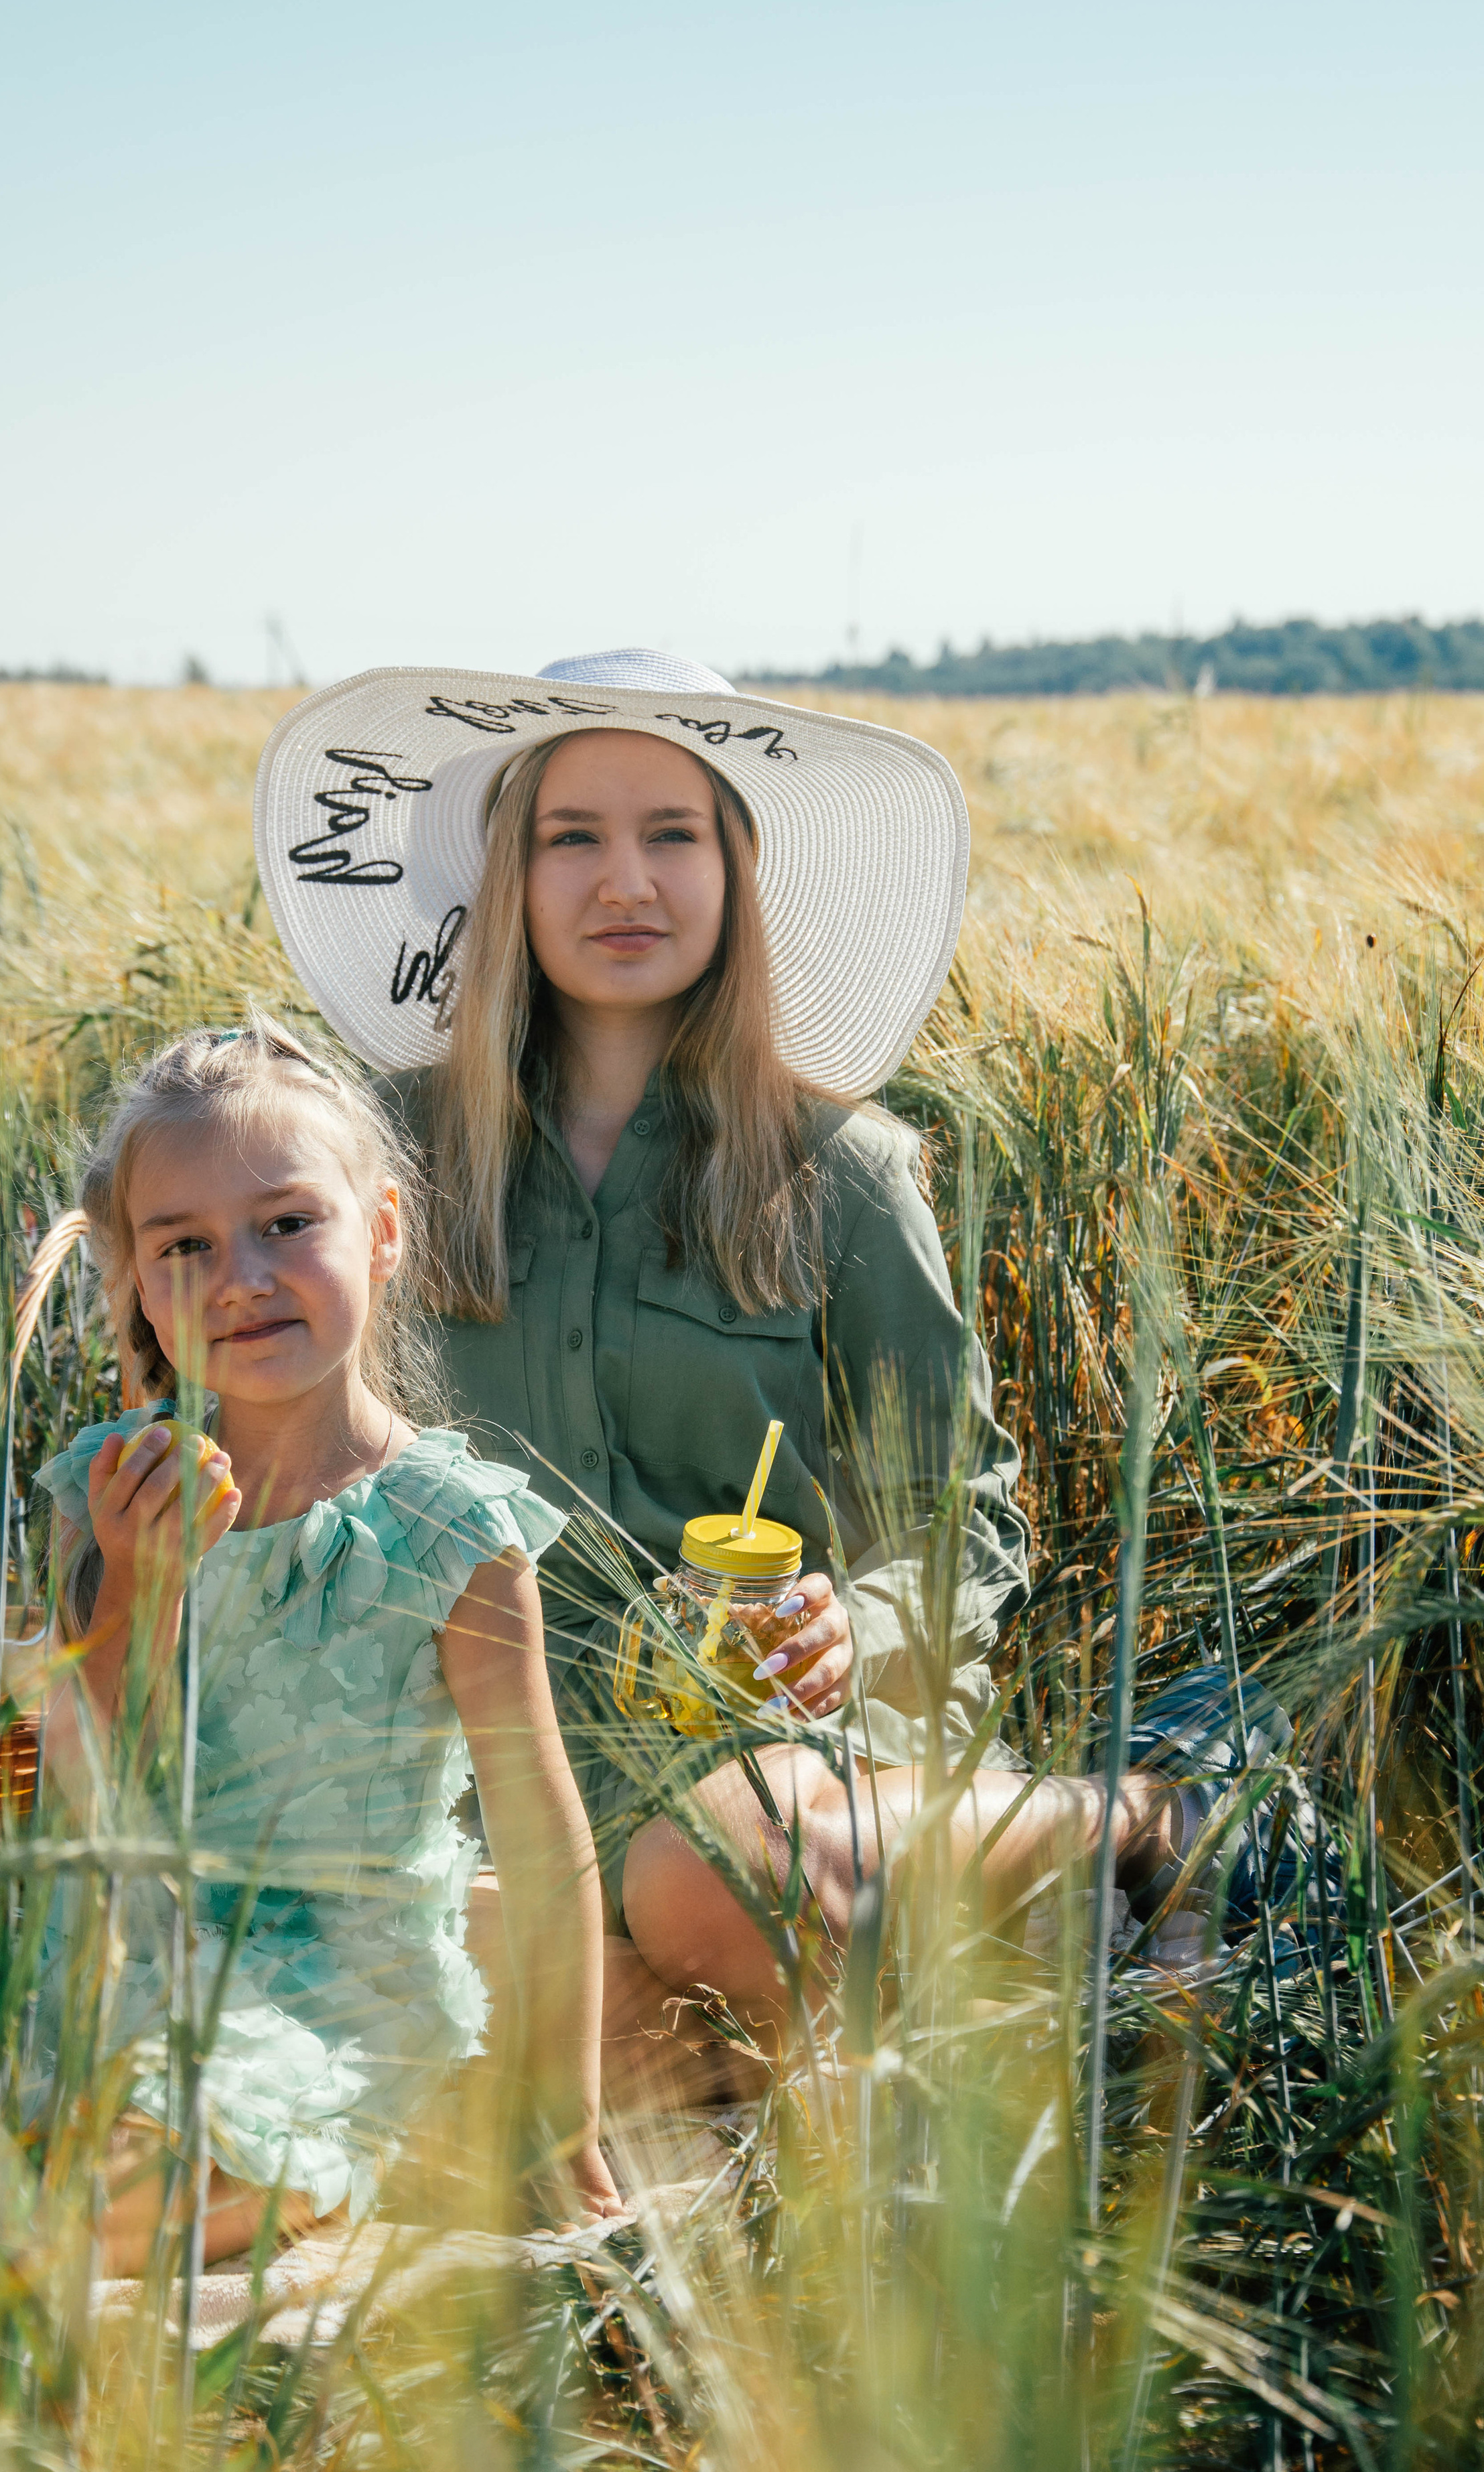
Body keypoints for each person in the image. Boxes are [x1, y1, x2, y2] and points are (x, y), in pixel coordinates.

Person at [251, 649, 1288, 2039]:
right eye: (574, 837)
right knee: (419, 1950)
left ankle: (1151, 1811)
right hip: (477, 1750)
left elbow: (958, 1518)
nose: (626, 880)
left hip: (761, 1742)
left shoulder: (842, 1173)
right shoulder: (384, 1160)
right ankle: (796, 2003)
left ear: (735, 870)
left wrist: (841, 1630)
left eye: (672, 833)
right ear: (508, 872)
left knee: (709, 1882)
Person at [34, 1023, 621, 2274]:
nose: (239, 1275)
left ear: (387, 1232)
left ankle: (343, 2162)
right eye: (183, 1245)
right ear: (135, 1281)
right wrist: (140, 1589)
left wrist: (561, 2116)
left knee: (116, 2193)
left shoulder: (446, 1526)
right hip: (131, 1935)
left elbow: (536, 1820)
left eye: (287, 1222)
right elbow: (89, 1780)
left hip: (341, 1986)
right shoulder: (113, 1488)